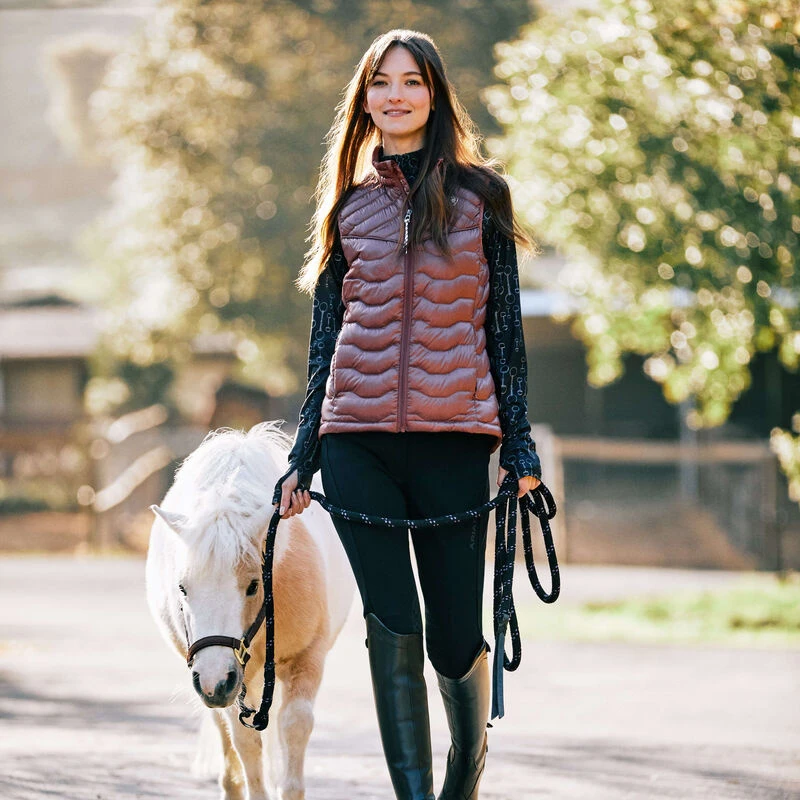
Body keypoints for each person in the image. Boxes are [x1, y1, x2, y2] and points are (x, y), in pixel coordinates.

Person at [272, 29, 541, 800]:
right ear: (365, 99)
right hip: (355, 443)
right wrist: (304, 455)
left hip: (455, 439)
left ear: (434, 94)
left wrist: (519, 446)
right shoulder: (348, 206)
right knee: (392, 623)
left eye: (411, 81)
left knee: (454, 638)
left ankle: (464, 776)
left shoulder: (482, 196)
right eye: (381, 83)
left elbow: (505, 329)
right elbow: (326, 341)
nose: (395, 96)